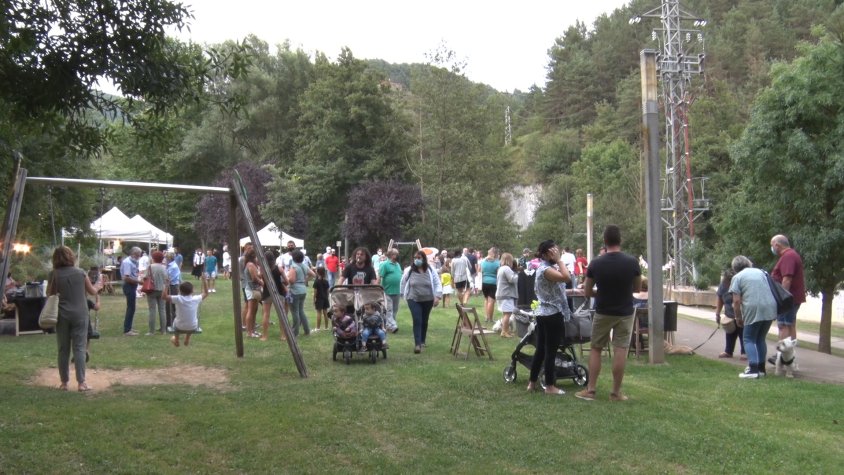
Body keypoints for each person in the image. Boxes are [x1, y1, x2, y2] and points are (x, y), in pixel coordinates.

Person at [576, 225, 641, 402]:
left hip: (603, 311)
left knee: (596, 348)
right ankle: (615, 393)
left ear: (605, 241)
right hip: (625, 312)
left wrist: (601, 293)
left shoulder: (596, 263)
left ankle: (591, 390)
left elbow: (587, 291)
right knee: (620, 349)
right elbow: (637, 288)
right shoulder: (632, 262)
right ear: (620, 240)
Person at [525, 241, 572, 396]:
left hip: (544, 313)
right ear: (545, 254)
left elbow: (557, 287)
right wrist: (559, 260)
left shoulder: (544, 268)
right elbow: (566, 277)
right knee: (550, 351)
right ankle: (550, 386)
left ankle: (532, 383)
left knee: (541, 349)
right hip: (552, 314)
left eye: (557, 251)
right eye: (553, 252)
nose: (556, 254)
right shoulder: (546, 269)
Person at [50, 246, 99, 392]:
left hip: (61, 314)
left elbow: (49, 294)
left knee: (63, 348)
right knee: (79, 348)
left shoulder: (54, 274)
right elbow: (92, 291)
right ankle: (81, 383)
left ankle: (64, 383)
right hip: (80, 314)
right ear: (71, 256)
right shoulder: (80, 273)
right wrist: (98, 285)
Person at [729, 255, 776, 378]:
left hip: (753, 307)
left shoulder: (737, 277)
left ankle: (753, 369)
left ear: (735, 267)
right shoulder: (762, 272)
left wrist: (738, 318)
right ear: (748, 263)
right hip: (770, 306)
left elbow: (736, 301)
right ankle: (761, 369)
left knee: (748, 339)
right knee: (760, 338)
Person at [400, 250, 442, 354]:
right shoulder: (409, 270)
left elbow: (437, 283)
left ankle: (422, 340)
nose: (416, 260)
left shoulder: (430, 270)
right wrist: (402, 293)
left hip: (428, 299)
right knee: (417, 319)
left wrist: (437, 296)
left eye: (419, 258)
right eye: (415, 258)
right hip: (413, 299)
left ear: (423, 259)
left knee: (424, 320)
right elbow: (403, 282)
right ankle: (417, 344)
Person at [770, 234, 805, 343]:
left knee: (784, 325)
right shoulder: (790, 255)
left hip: (788, 300)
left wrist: (782, 298)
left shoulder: (788, 256)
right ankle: (789, 352)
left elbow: (787, 279)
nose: (772, 248)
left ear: (777, 245)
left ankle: (783, 352)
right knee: (790, 324)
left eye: (772, 245)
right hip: (792, 298)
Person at [163, 278, 209, 347]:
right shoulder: (196, 299)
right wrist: (204, 281)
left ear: (180, 291)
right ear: (192, 291)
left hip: (179, 326)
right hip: (193, 326)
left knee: (175, 321)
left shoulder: (178, 298)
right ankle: (187, 339)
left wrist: (166, 285)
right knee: (190, 322)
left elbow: (164, 297)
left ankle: (176, 339)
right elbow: (206, 293)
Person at [715, 268, 746, 359]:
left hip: (742, 314)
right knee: (729, 332)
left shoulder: (740, 284)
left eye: (728, 281)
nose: (726, 284)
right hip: (729, 314)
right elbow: (720, 298)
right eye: (725, 281)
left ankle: (744, 352)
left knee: (743, 333)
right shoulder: (723, 286)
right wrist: (717, 313)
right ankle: (728, 351)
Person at [287, 249, 315, 337]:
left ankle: (295, 332)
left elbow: (291, 280)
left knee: (295, 311)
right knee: (301, 311)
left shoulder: (293, 267)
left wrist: (286, 279)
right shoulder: (304, 266)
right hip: (303, 289)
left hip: (295, 290)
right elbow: (313, 274)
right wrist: (305, 280)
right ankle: (307, 330)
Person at [378, 248, 402, 333]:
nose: (398, 255)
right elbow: (380, 276)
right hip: (387, 291)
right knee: (389, 310)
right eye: (396, 254)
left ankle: (389, 325)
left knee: (395, 310)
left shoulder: (398, 265)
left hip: (397, 291)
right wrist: (377, 287)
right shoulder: (385, 264)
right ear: (391, 255)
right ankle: (393, 326)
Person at [495, 252, 518, 338]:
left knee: (506, 314)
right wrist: (516, 274)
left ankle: (506, 330)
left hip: (501, 294)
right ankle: (504, 332)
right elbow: (512, 280)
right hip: (506, 294)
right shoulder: (507, 269)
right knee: (507, 314)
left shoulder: (501, 268)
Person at [145, 250, 168, 335]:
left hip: (151, 290)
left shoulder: (150, 267)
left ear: (153, 258)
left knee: (152, 310)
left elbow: (145, 277)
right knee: (162, 310)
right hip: (162, 290)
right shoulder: (164, 267)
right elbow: (167, 279)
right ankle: (163, 330)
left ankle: (151, 331)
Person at [121, 247, 142, 336]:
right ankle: (127, 329)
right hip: (129, 286)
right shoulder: (127, 263)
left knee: (132, 307)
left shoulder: (133, 262)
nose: (138, 257)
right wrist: (139, 281)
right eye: (137, 255)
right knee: (131, 307)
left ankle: (129, 327)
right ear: (133, 254)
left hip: (132, 285)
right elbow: (126, 278)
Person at [243, 248, 263, 338]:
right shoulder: (250, 264)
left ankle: (253, 330)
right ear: (254, 255)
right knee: (251, 311)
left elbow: (257, 275)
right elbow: (254, 278)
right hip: (251, 289)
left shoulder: (252, 264)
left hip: (255, 289)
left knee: (254, 310)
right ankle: (249, 332)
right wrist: (262, 282)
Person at [480, 247, 500, 323]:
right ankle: (490, 318)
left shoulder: (483, 262)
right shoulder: (497, 263)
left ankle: (486, 316)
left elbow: (480, 271)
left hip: (484, 282)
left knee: (486, 300)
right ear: (495, 254)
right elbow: (499, 274)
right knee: (491, 301)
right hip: (493, 283)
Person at [165, 251, 181, 332]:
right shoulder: (169, 266)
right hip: (170, 286)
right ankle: (168, 323)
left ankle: (172, 324)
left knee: (171, 307)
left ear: (169, 258)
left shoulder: (173, 267)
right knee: (168, 307)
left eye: (166, 258)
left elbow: (169, 278)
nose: (165, 259)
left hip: (172, 287)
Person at [312, 267, 330, 332]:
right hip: (325, 298)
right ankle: (326, 327)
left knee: (319, 312)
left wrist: (314, 299)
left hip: (319, 299)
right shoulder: (326, 281)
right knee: (325, 312)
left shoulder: (316, 282)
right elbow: (328, 291)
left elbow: (315, 292)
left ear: (317, 272)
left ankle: (318, 328)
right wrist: (327, 297)